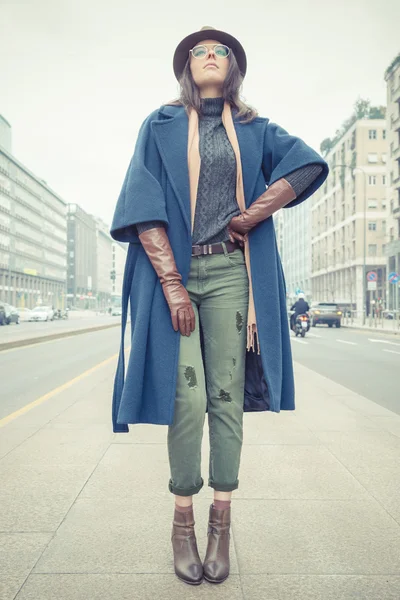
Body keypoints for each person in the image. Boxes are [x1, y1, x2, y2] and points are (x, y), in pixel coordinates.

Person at [110, 26, 328, 585]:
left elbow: (306, 165)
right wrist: (173, 286)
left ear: (233, 68)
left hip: (234, 274)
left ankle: (221, 524)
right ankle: (182, 520)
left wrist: (252, 215)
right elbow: (142, 202)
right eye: (199, 52)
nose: (209, 56)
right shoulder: (157, 124)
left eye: (220, 51)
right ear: (187, 67)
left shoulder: (255, 128)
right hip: (175, 277)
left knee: (225, 399)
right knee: (187, 399)